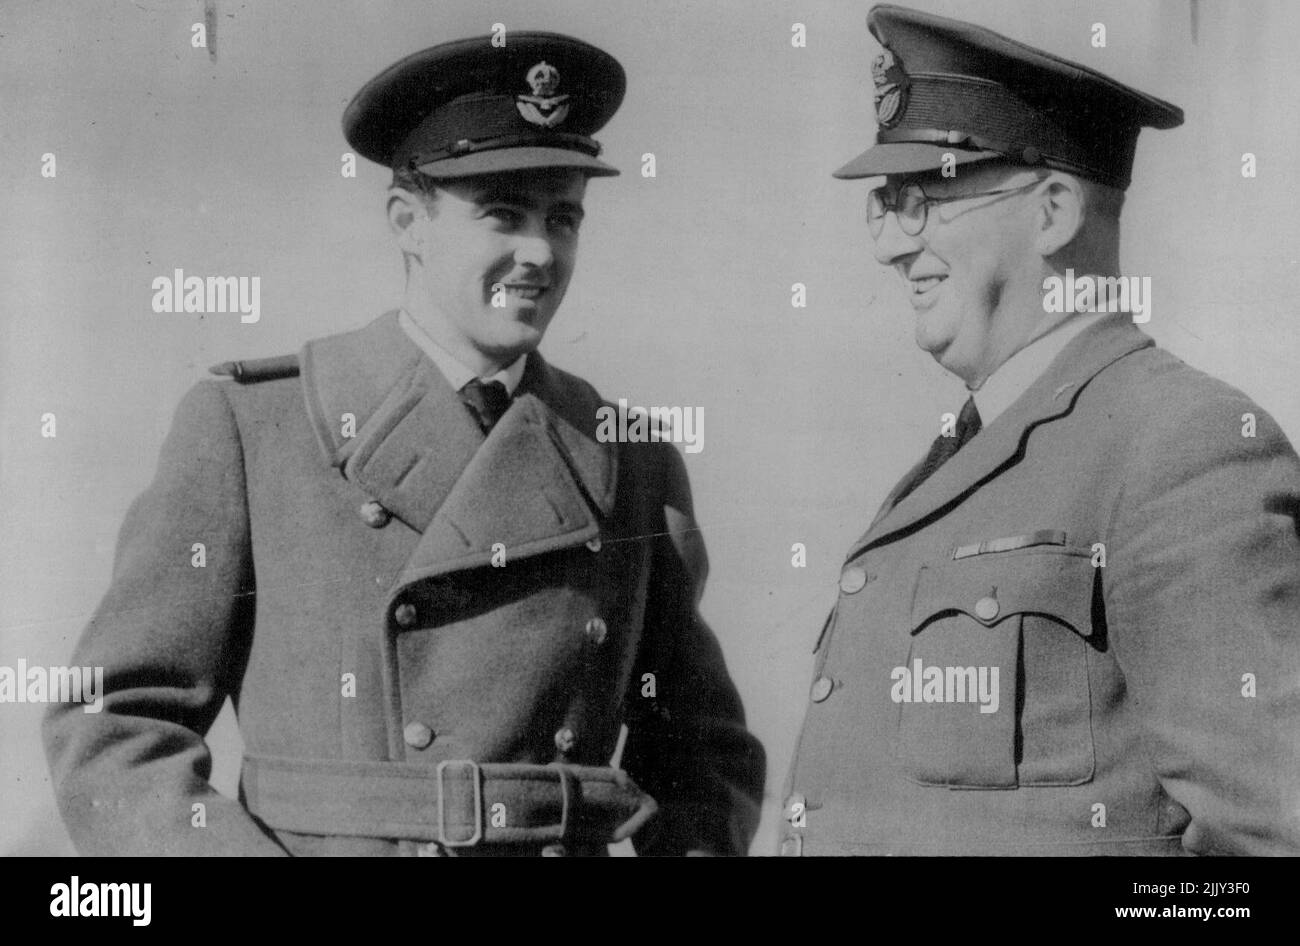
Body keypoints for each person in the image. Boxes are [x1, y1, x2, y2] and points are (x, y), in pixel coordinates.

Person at [44, 30, 764, 857]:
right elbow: (113, 727)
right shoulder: (258, 429)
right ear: (406, 222)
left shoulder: (629, 459)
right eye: (502, 213)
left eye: (562, 219)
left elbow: (704, 752)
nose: (538, 253)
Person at [780, 4, 1300, 856]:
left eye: (928, 197)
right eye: (887, 204)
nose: (893, 246)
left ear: (1054, 210)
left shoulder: (1183, 446)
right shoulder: (978, 450)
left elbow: (1272, 838)